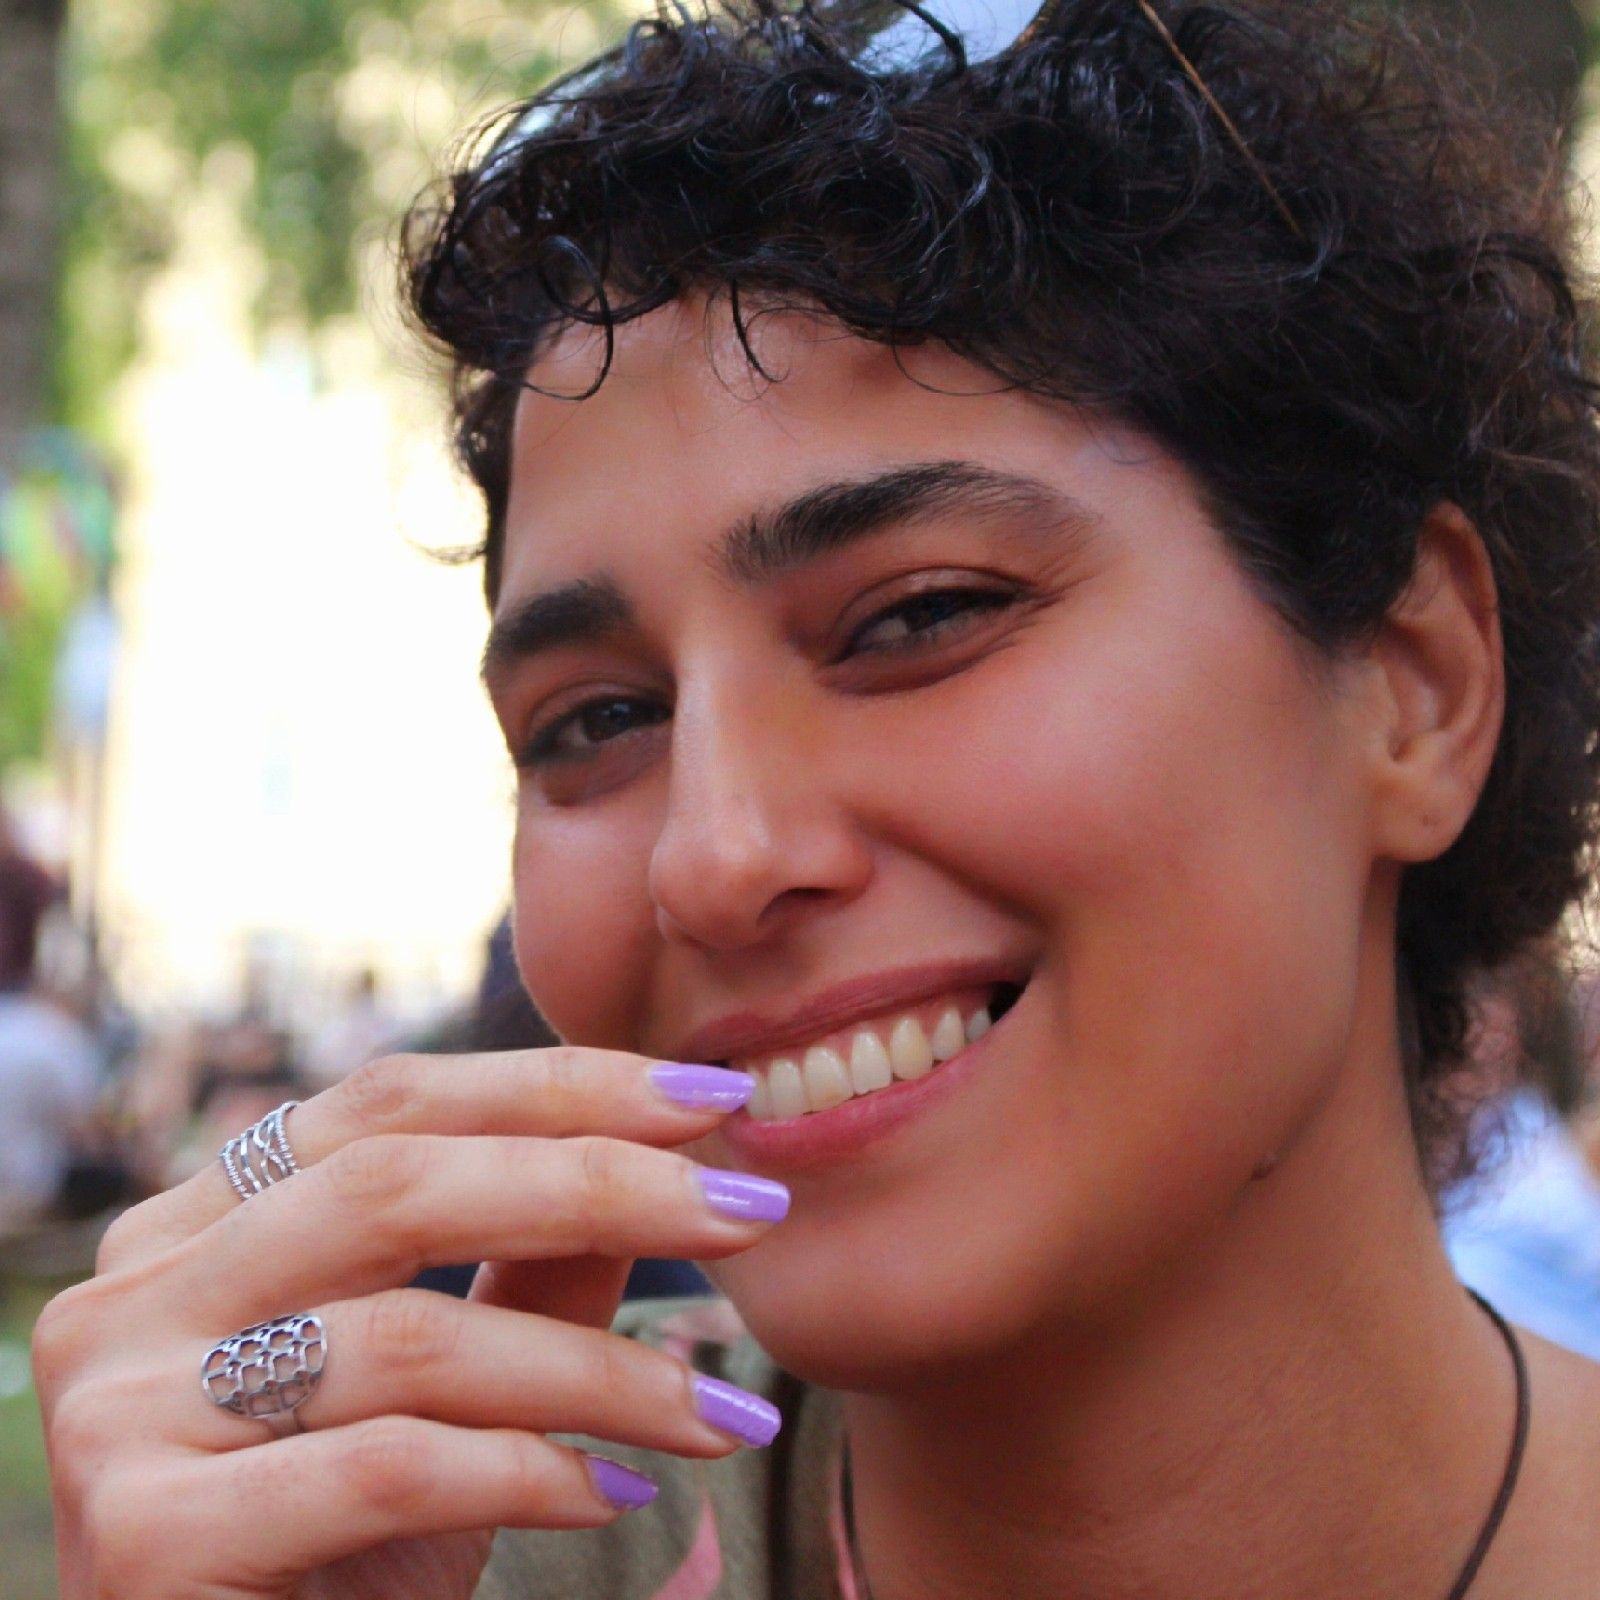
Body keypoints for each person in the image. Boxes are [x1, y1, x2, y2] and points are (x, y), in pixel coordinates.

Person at [31, 1, 1600, 1595]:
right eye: (597, 722)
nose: (715, 857)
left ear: (1418, 687)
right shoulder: (429, 1554)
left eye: (919, 618)